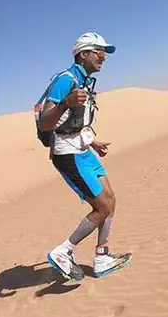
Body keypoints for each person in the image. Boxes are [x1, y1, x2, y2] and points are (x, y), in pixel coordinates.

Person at [37, 32, 131, 280]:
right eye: (99, 51)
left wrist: (94, 142)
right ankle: (63, 251)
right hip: (67, 154)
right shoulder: (65, 80)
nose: (103, 57)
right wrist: (65, 103)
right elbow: (45, 123)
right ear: (84, 54)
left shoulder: (85, 81)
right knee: (101, 206)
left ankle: (101, 257)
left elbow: (76, 124)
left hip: (83, 148)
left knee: (110, 199)